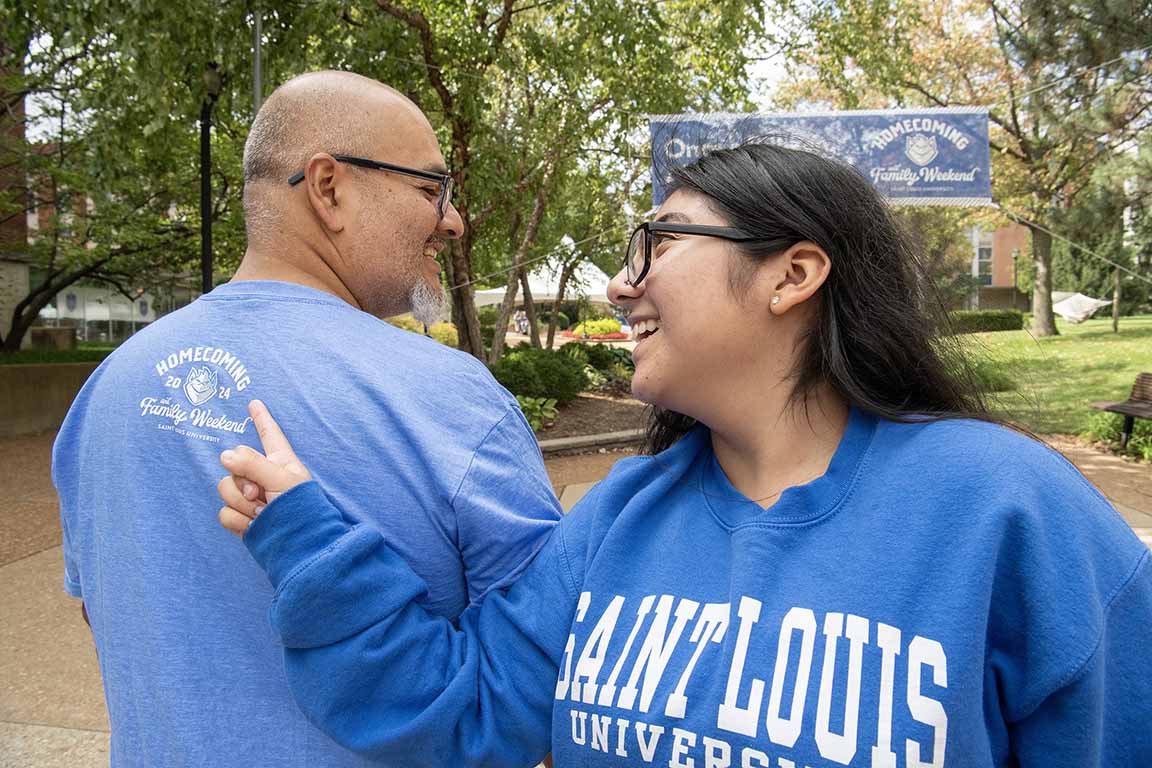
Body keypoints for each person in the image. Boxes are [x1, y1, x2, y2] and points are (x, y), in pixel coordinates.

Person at [218, 141, 1152, 767]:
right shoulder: (617, 518)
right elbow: (457, 711)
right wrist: (313, 542)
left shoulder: (1012, 511)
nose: (622, 284)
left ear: (793, 273)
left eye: (657, 243)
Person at [52, 71, 561, 767]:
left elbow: (107, 615)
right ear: (328, 187)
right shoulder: (454, 401)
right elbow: (552, 680)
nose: (452, 219)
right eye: (429, 189)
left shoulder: (108, 388)